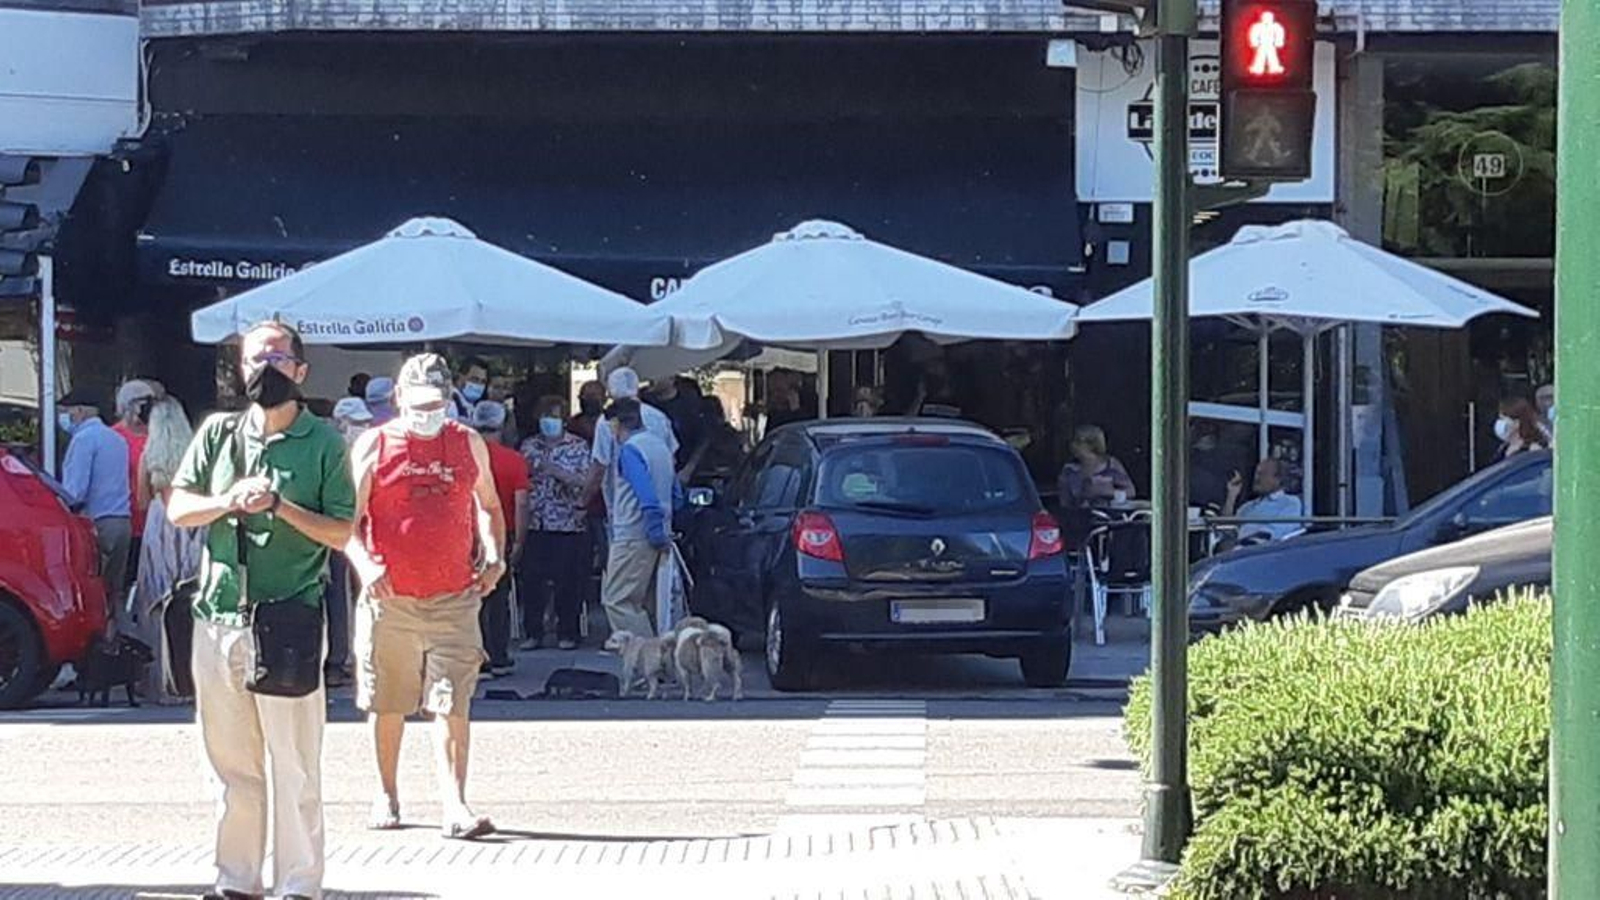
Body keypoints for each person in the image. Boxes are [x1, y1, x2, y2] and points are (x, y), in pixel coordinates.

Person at [167, 321, 355, 900]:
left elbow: (343, 531)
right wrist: (227, 501)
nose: (265, 369)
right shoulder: (220, 433)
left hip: (289, 620)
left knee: (294, 764)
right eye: (254, 359)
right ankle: (237, 880)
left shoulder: (323, 442)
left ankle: (299, 883)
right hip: (219, 616)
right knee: (230, 765)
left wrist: (279, 505)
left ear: (299, 371)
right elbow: (177, 506)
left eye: (277, 357)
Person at [346, 353, 505, 841]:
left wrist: (494, 552)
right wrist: (366, 564)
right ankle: (387, 791)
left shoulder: (467, 443)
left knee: (451, 700)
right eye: (418, 404)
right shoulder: (374, 445)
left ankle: (455, 803)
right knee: (388, 701)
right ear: (398, 399)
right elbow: (346, 526)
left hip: (454, 595)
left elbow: (489, 506)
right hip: (390, 596)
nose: (427, 413)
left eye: (436, 403)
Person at [131, 394, 205, 704]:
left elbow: (142, 499)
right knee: (192, 604)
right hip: (193, 522)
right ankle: (194, 678)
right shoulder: (197, 453)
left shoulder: (150, 455)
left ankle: (164, 681)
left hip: (161, 524)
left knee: (157, 605)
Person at [598, 398, 677, 638]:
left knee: (618, 600)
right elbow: (676, 491)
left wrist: (653, 525)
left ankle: (646, 655)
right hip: (661, 532)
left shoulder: (631, 450)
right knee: (652, 603)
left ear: (615, 424)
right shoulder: (660, 447)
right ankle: (659, 657)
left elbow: (646, 494)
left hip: (633, 535)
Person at [519, 396, 592, 650]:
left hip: (567, 523)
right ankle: (533, 633)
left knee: (567, 581)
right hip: (535, 522)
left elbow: (587, 482)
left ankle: (567, 632)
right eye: (544, 417)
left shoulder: (578, 447)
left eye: (554, 417)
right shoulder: (529, 446)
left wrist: (560, 474)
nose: (549, 422)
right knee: (532, 581)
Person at [59, 389, 133, 635]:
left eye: (68, 412)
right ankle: (116, 645)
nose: (66, 418)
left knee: (94, 593)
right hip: (122, 522)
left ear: (79, 411)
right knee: (114, 592)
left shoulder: (84, 440)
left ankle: (97, 649)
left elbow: (74, 492)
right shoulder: (116, 439)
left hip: (96, 525)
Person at [470, 400, 529, 676]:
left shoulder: (464, 456)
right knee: (498, 596)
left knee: (470, 599)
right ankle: (499, 655)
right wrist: (519, 541)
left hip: (465, 534)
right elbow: (521, 503)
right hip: (499, 532)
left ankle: (475, 656)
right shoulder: (513, 460)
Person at [324, 397, 373, 688]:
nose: (363, 427)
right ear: (342, 423)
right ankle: (338, 658)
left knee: (360, 597)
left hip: (365, 534)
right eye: (357, 423)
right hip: (338, 533)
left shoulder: (363, 450)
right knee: (339, 597)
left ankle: (353, 656)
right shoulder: (334, 451)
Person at [585, 367, 679, 516]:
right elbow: (671, 459)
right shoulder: (659, 417)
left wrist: (583, 501)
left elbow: (599, 467)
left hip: (623, 508)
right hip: (661, 505)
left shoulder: (607, 420)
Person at [113, 379, 158, 588]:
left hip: (153, 522)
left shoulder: (158, 436)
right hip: (126, 519)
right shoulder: (113, 437)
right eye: (144, 403)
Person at [1221, 457, 1304, 545]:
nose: (1256, 478)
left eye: (1262, 474)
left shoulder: (1290, 503)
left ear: (1277, 479)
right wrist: (1231, 496)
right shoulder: (1248, 506)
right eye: (1256, 474)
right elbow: (1226, 529)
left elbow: (1276, 532)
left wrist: (1245, 540)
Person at [1057, 425, 1136, 510]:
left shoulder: (1111, 465)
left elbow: (1131, 492)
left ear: (1092, 444)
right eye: (1072, 441)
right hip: (1079, 516)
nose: (1073, 445)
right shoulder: (1069, 470)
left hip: (1109, 515)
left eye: (1078, 441)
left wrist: (1109, 492)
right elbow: (1064, 502)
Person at [649, 376, 706, 473]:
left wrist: (688, 470)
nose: (651, 379)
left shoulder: (689, 403)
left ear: (671, 378)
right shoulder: (644, 401)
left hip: (682, 469)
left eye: (657, 374)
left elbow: (702, 440)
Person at [450, 356, 490, 422]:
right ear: (460, 377)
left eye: (483, 381)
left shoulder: (473, 407)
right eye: (474, 379)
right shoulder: (451, 403)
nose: (478, 385)